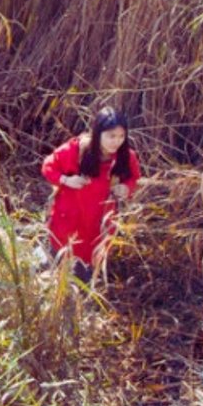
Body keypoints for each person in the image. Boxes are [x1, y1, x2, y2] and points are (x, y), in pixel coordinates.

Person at [40, 107, 141, 279]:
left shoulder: (125, 156)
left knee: (87, 272)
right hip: (70, 218)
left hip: (99, 223)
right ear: (98, 133)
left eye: (121, 136)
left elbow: (134, 179)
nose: (116, 142)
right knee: (56, 262)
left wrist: (126, 188)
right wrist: (66, 180)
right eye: (111, 136)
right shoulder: (76, 150)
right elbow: (48, 167)